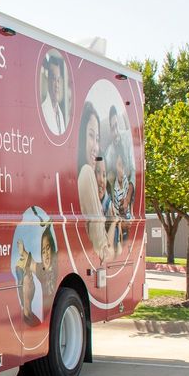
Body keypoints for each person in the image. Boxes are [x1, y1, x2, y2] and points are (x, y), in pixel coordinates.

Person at [77, 102, 116, 262]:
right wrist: (113, 222)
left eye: (97, 138)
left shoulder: (85, 175)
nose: (95, 147)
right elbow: (104, 253)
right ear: (82, 139)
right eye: (91, 136)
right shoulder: (86, 173)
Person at [40, 52, 69, 135]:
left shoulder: (60, 115)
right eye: (53, 79)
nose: (57, 85)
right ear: (48, 80)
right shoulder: (43, 111)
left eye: (58, 80)